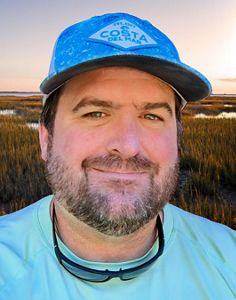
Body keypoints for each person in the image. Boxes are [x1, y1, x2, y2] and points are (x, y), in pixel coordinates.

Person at [0, 12, 235, 300]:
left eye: (151, 115)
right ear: (45, 139)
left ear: (177, 138)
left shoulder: (227, 257)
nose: (127, 145)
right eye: (95, 113)